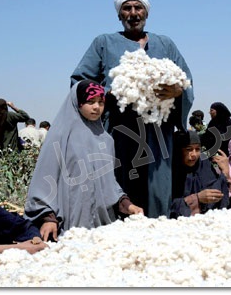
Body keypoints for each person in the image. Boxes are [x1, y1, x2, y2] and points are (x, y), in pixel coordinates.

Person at [70, 0, 194, 219]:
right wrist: (111, 93)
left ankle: (157, 232)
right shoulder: (104, 43)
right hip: (120, 130)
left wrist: (176, 91)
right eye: (127, 8)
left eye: (139, 7)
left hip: (158, 133)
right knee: (119, 184)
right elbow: (80, 82)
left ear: (147, 13)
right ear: (119, 14)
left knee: (158, 188)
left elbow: (185, 81)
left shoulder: (165, 44)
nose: (133, 13)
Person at [25, 81, 143, 242]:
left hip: (103, 226)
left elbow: (109, 182)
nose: (96, 107)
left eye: (101, 102)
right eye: (90, 102)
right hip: (70, 221)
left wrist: (126, 204)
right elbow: (45, 179)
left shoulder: (106, 139)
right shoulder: (60, 136)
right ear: (77, 102)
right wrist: (48, 218)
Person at [169, 131, 230, 219]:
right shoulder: (169, 174)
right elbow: (165, 208)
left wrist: (225, 173)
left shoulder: (204, 166)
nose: (194, 154)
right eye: (189, 149)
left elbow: (219, 197)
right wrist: (196, 199)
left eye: (197, 149)